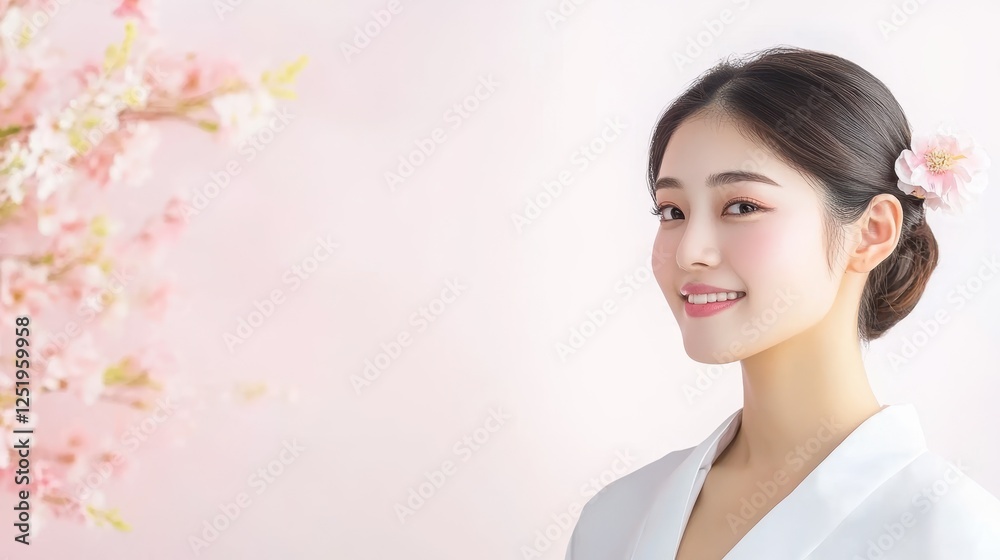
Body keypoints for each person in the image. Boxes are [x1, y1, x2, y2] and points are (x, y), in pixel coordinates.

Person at [564, 46, 1000, 560]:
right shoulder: (616, 517)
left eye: (742, 206)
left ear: (873, 232)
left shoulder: (952, 536)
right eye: (671, 210)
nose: (690, 251)